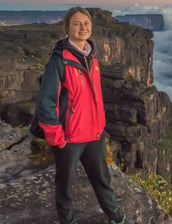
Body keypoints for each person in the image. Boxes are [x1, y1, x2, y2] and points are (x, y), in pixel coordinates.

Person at [37, 6, 127, 224]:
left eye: (86, 23)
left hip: (94, 134)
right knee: (65, 185)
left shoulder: (92, 56)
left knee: (102, 179)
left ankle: (116, 216)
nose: (82, 28)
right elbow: (46, 103)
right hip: (70, 137)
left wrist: (101, 127)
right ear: (67, 28)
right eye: (76, 24)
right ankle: (68, 221)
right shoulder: (58, 62)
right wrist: (58, 137)